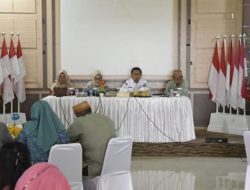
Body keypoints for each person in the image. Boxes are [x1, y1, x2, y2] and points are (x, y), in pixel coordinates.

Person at [67, 101, 116, 177]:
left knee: (65, 157)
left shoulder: (80, 121)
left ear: (77, 115)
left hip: (93, 169)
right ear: (90, 109)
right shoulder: (106, 118)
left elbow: (64, 139)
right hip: (112, 166)